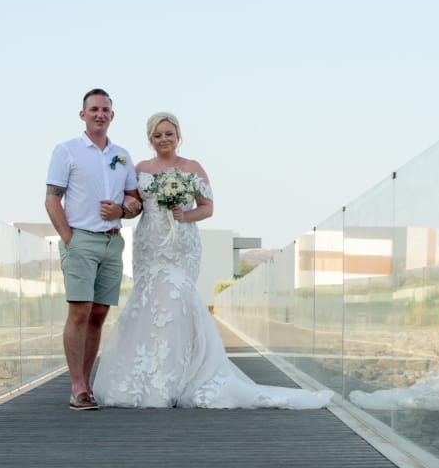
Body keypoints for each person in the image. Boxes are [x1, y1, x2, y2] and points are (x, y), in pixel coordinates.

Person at [93, 112, 333, 409]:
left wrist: (185, 215)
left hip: (182, 246)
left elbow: (207, 207)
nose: (163, 139)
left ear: (178, 135)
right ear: (149, 139)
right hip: (149, 245)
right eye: (157, 135)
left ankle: (180, 377)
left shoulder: (192, 168)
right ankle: (144, 377)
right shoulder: (140, 168)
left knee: (176, 297)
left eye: (169, 133)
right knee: (147, 302)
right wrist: (122, 209)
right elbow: (135, 205)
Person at [45, 88, 141, 411]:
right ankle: (76, 388)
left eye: (105, 110)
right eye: (94, 109)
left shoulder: (123, 156)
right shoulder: (67, 151)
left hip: (113, 241)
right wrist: (70, 239)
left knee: (99, 314)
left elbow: (134, 200)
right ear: (82, 114)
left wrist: (123, 211)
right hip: (81, 239)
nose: (100, 114)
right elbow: (51, 199)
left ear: (112, 116)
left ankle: (87, 383)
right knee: (79, 312)